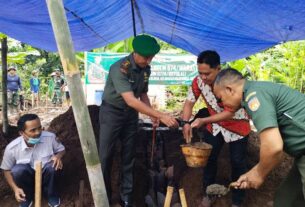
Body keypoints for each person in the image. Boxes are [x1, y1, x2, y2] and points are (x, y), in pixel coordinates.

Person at [99, 34, 178, 207]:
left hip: (130, 115)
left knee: (129, 155)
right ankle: (103, 195)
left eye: (151, 58)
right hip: (111, 113)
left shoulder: (145, 70)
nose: (148, 61)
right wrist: (160, 115)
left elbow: (142, 94)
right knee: (105, 156)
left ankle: (126, 195)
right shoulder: (120, 68)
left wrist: (151, 115)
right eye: (145, 57)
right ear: (135, 53)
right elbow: (130, 99)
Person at [213, 68, 305, 207]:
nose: (222, 105)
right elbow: (275, 153)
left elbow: (273, 147)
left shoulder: (254, 95)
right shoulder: (256, 91)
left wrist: (259, 174)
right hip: (301, 155)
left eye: (220, 99)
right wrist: (253, 172)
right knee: (286, 200)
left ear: (229, 89)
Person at [181, 51, 251, 207]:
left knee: (238, 162)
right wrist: (185, 122)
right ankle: (208, 193)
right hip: (215, 126)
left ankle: (237, 201)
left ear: (218, 68)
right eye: (200, 73)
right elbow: (189, 103)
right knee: (209, 158)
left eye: (207, 73)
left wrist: (203, 120)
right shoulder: (198, 82)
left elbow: (229, 112)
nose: (203, 77)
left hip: (238, 126)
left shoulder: (231, 83)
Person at [0, 114, 65, 207]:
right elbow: (6, 170)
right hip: (27, 179)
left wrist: (58, 156)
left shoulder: (50, 138)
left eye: (39, 128)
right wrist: (15, 189)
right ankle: (27, 197)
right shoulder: (12, 148)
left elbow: (62, 150)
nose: (38, 132)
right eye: (33, 130)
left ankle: (51, 195)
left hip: (47, 175)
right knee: (17, 170)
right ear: (21, 133)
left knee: (52, 166)